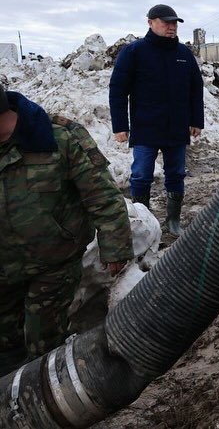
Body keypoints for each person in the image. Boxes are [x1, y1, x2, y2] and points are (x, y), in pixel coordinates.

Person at [0, 86, 133, 376]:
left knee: (42, 340)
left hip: (53, 264)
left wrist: (115, 246)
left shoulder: (57, 138)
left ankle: (51, 401)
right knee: (5, 346)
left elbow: (101, 194)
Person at [109, 3, 204, 236]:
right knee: (141, 174)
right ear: (150, 23)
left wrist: (196, 120)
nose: (171, 27)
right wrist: (120, 125)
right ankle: (143, 222)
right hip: (146, 127)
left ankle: (173, 221)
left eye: (174, 23)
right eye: (166, 23)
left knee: (176, 173)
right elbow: (118, 89)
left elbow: (195, 88)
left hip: (176, 126)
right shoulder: (134, 52)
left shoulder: (183, 54)